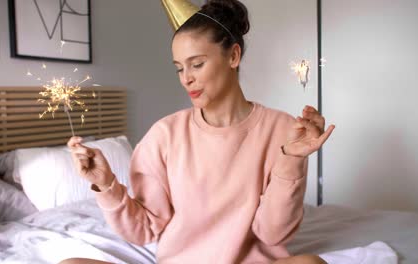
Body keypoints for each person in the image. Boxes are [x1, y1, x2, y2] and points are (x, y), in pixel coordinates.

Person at [61, 0, 334, 263]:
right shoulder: (164, 135)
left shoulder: (284, 129)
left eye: (197, 64)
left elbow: (274, 234)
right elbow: (143, 230)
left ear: (234, 55)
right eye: (179, 68)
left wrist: (291, 159)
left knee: (310, 263)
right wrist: (107, 184)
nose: (186, 78)